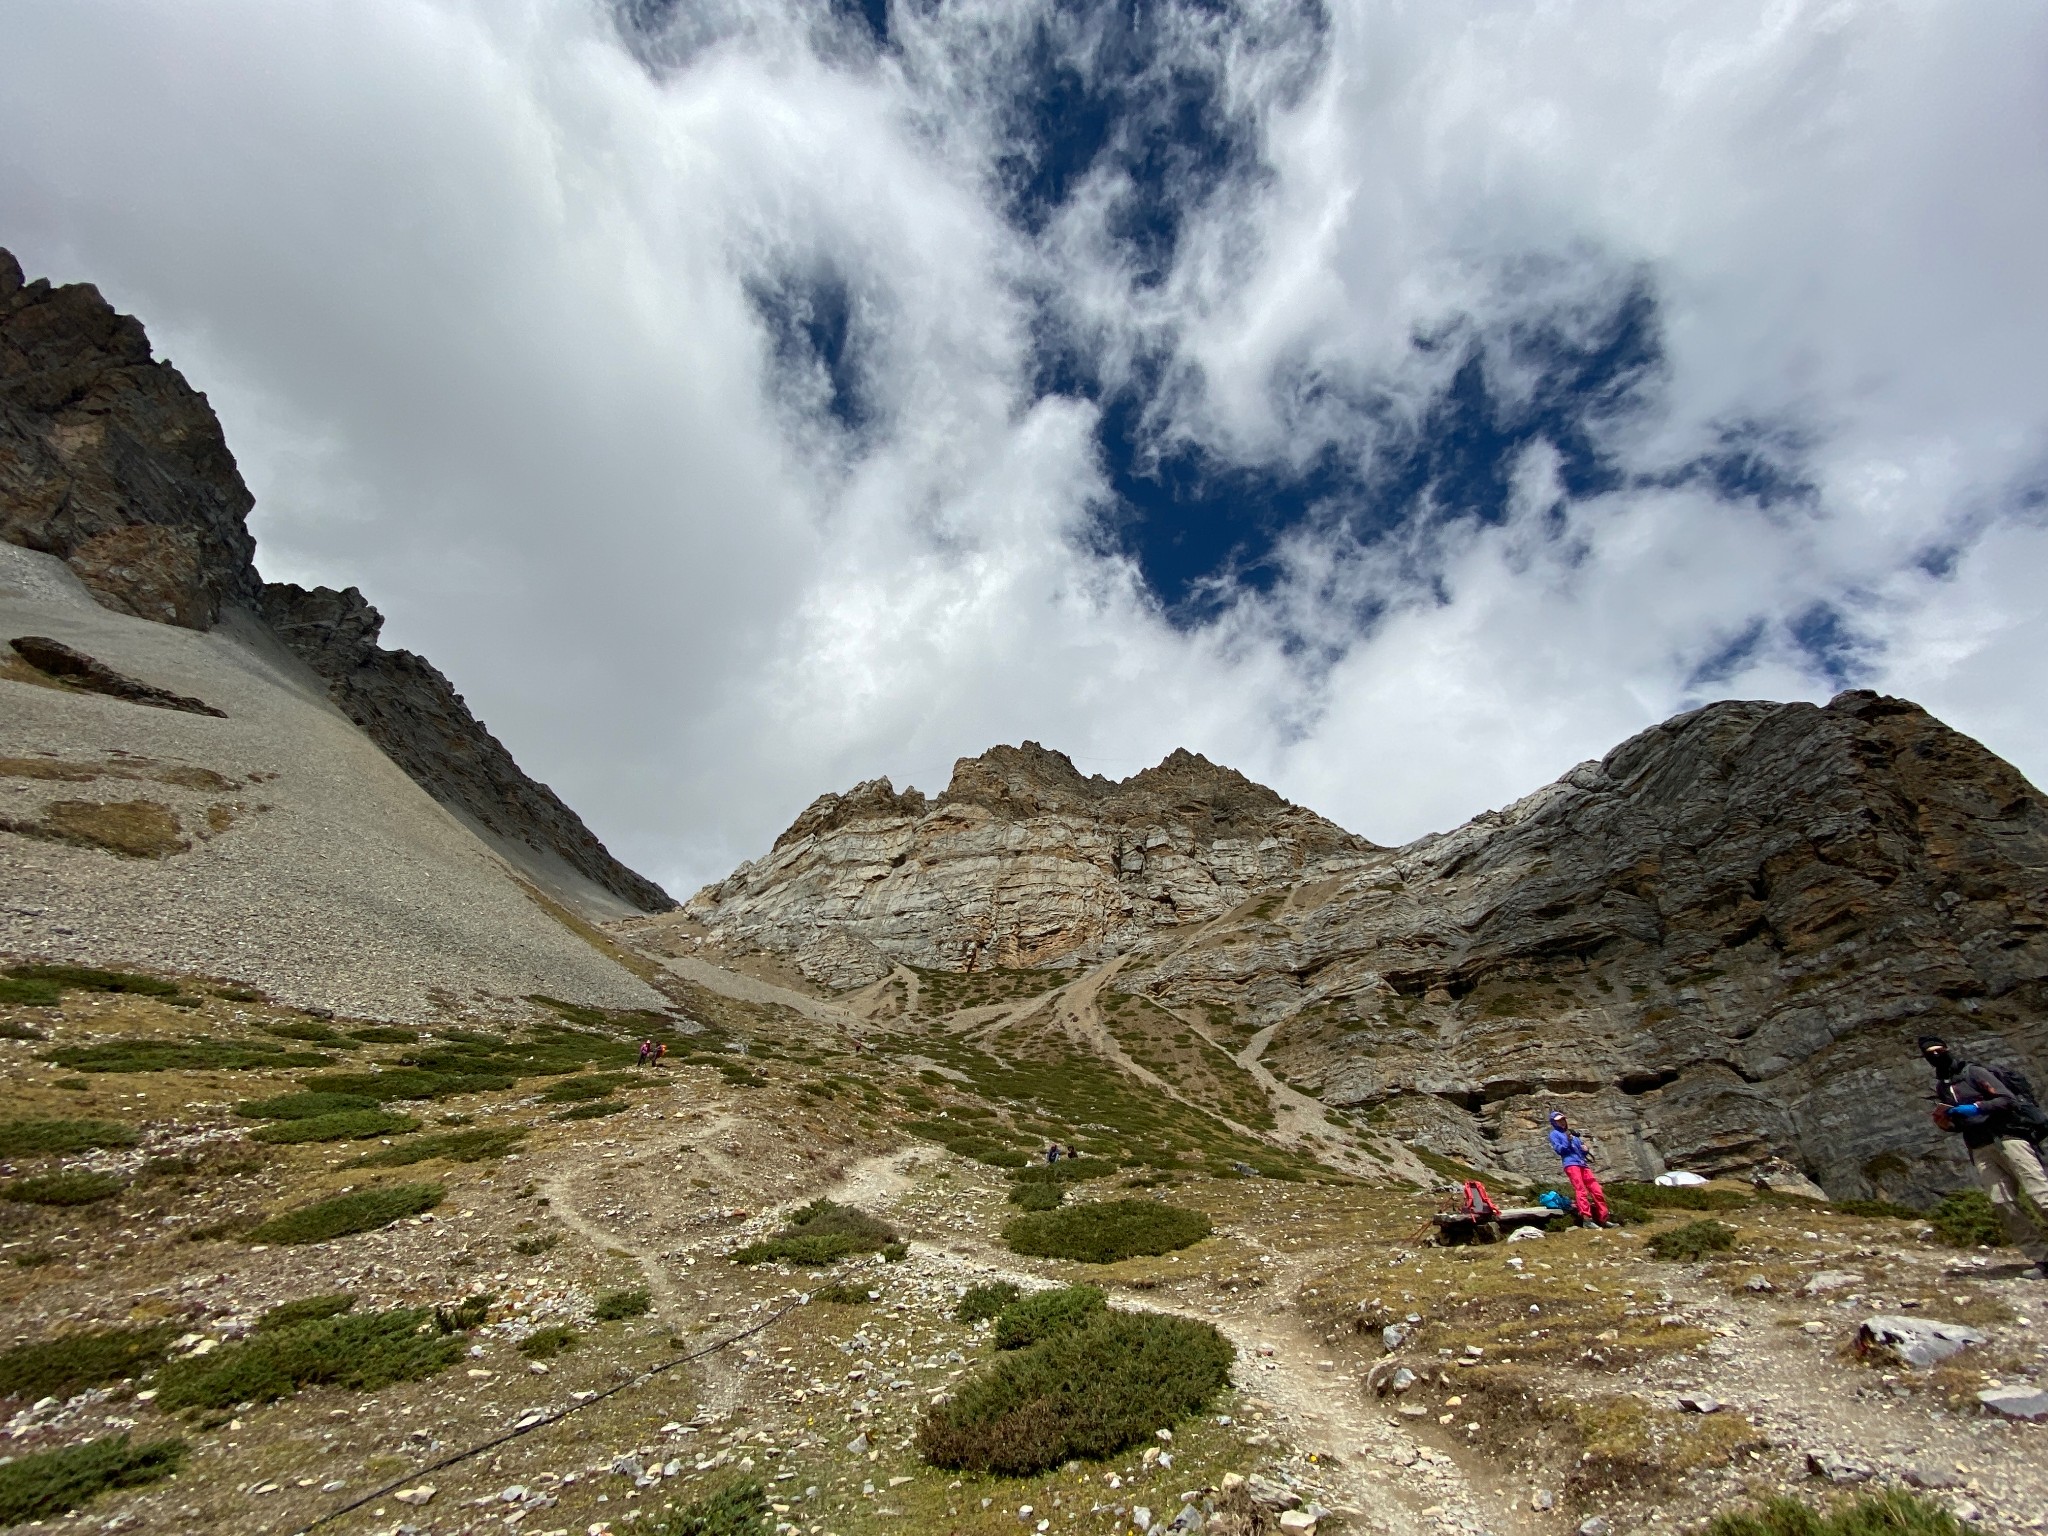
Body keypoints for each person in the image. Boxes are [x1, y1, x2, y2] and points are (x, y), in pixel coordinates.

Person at [1920, 1035, 2048, 1278]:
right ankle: (2042, 1257)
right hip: (1979, 1146)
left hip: (2007, 1139)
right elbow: (1959, 1122)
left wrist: (1977, 1107)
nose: (1936, 1056)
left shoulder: (1974, 1072)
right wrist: (1947, 1122)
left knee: (2040, 1195)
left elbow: (2006, 1100)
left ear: (1948, 1049)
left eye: (1939, 1050)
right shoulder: (1942, 1087)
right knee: (2002, 1203)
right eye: (1930, 1053)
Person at [1548, 1111, 1612, 1228]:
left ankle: (1604, 1218)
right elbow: (1559, 1150)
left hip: (1582, 1164)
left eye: (1563, 1120)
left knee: (1596, 1190)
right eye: (1558, 1120)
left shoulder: (1572, 1134)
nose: (1562, 1122)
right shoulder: (1554, 1134)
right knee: (1581, 1190)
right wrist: (1568, 1141)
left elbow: (1580, 1149)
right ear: (1554, 1122)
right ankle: (1587, 1219)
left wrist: (1585, 1149)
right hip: (1571, 1164)